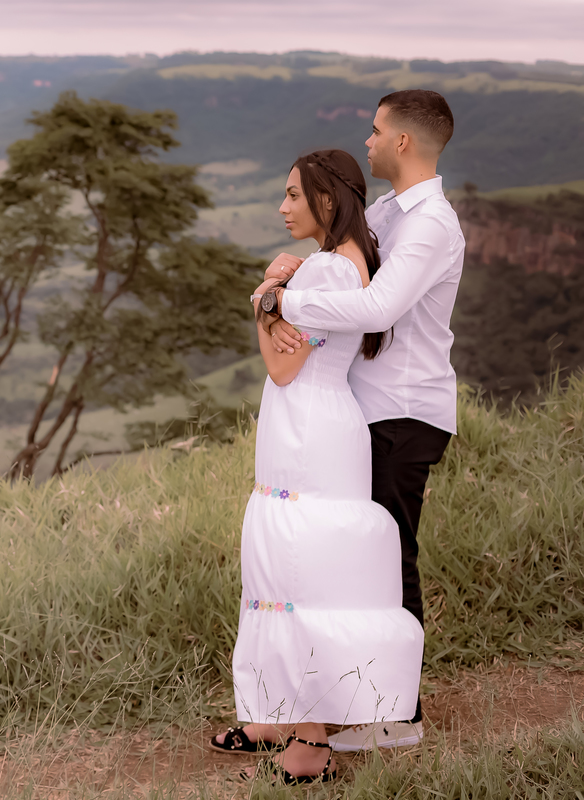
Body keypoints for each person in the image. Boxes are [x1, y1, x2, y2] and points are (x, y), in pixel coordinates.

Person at [205, 148, 425, 785]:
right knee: (317, 574)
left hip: (305, 424)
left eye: (293, 195)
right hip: (328, 420)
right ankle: (287, 719)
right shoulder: (347, 264)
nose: (282, 207)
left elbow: (281, 365)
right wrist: (282, 289)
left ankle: (307, 745)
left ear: (326, 201)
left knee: (297, 573)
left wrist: (267, 294)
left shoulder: (325, 272)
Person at [264, 89, 464, 752]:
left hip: (404, 412)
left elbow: (376, 307)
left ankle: (398, 717)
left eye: (377, 131)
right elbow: (346, 250)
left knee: (389, 559)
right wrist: (300, 269)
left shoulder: (431, 223)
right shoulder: (387, 211)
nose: (369, 141)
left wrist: (287, 301)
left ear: (404, 142)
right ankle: (360, 698)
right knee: (362, 562)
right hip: (367, 414)